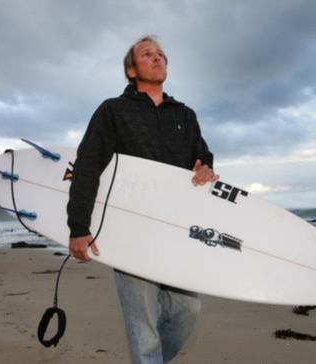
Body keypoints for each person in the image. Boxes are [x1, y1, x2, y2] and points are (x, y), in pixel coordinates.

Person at [67, 35, 218, 364]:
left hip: (175, 228)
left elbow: (202, 157)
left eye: (161, 53)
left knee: (187, 310)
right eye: (147, 54)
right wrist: (78, 226)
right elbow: (88, 166)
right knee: (143, 324)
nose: (158, 57)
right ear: (131, 70)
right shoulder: (113, 111)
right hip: (130, 229)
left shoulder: (185, 114)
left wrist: (205, 168)